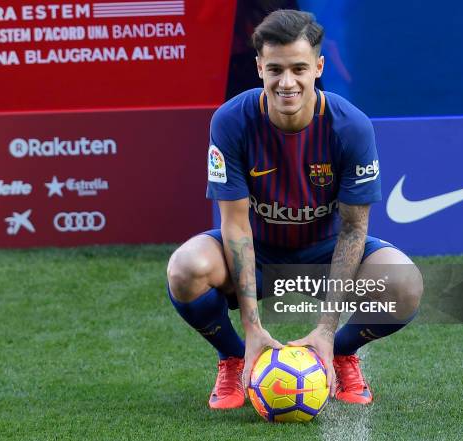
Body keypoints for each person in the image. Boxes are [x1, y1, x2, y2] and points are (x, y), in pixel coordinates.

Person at [167, 9, 423, 409]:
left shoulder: (350, 127)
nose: (287, 82)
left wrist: (326, 327)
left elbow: (354, 230)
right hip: (260, 250)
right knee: (186, 269)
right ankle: (235, 357)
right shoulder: (231, 121)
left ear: (319, 67)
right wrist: (252, 327)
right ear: (259, 68)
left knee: (405, 285)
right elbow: (235, 226)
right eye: (276, 70)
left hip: (324, 252)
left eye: (299, 68)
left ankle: (338, 352)